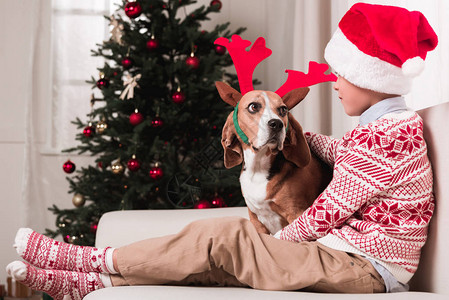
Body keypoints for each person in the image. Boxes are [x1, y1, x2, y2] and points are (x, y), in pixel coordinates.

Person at [6, 3, 438, 299]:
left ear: (371, 77)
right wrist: (293, 135)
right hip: (346, 255)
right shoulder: (381, 131)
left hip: (367, 269)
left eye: (342, 74)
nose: (336, 83)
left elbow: (328, 210)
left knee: (231, 238)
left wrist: (273, 245)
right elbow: (343, 153)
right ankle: (94, 283)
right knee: (215, 247)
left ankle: (85, 259)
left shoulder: (391, 134)